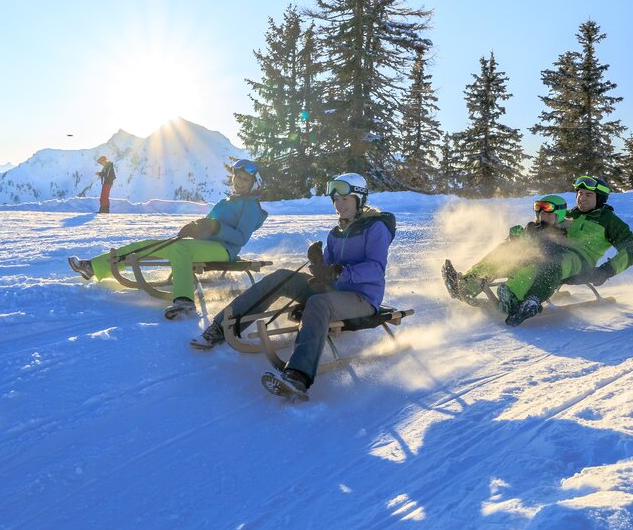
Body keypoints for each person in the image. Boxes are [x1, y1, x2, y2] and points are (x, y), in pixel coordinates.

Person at [191, 172, 396, 402]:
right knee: (281, 277)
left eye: (345, 199)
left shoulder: (375, 227)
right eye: (336, 200)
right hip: (333, 292)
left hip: (362, 298)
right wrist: (320, 264)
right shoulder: (335, 233)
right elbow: (326, 271)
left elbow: (376, 269)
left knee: (318, 303)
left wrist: (339, 272)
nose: (339, 205)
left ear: (359, 199)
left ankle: (298, 376)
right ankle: (222, 326)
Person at [68, 159, 268, 319]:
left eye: (245, 180)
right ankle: (93, 266)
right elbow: (209, 224)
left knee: (181, 250)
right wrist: (197, 228)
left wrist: (216, 227)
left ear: (254, 183)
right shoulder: (226, 201)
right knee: (150, 245)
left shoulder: (251, 207)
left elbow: (241, 238)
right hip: (206, 245)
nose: (239, 182)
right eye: (238, 178)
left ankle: (185, 302)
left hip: (225, 251)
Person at [443, 174, 633, 326]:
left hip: (578, 261)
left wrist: (606, 271)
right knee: (512, 251)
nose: (581, 198)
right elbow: (543, 229)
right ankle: (468, 284)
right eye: (579, 193)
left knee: (554, 262)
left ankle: (523, 299)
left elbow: (630, 247)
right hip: (551, 250)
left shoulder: (609, 221)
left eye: (588, 195)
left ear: (599, 198)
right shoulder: (567, 213)